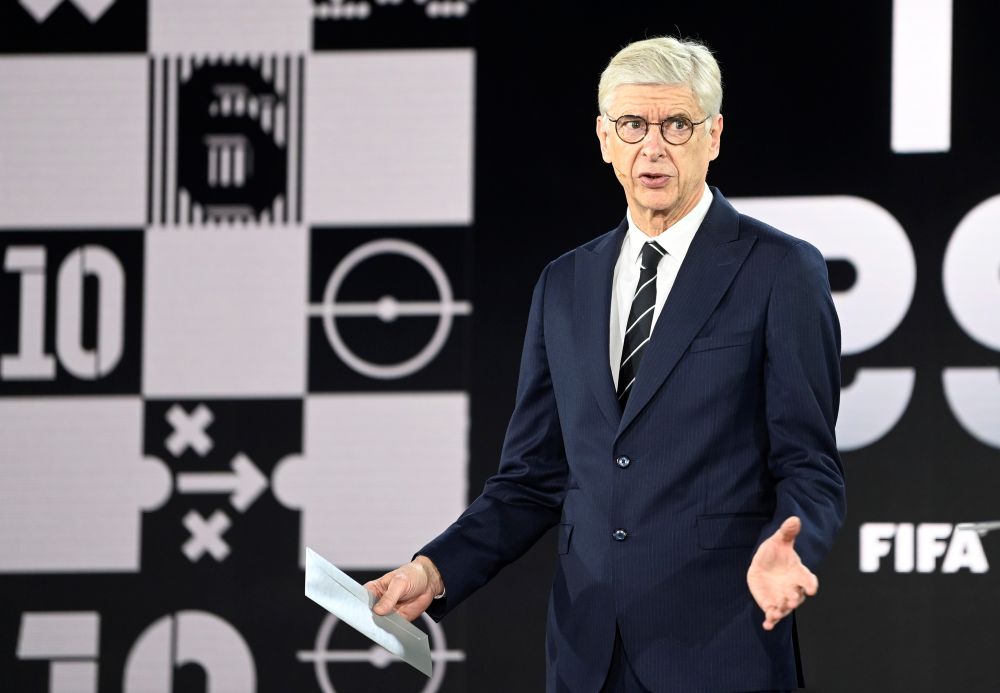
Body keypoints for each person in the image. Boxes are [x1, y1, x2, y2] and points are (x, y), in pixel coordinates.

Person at [365, 36, 846, 693]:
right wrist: (432, 568)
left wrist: (793, 546)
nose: (654, 145)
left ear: (714, 136)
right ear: (603, 138)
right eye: (633, 124)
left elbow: (810, 464)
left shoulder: (780, 271)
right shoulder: (563, 283)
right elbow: (530, 478)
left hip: (722, 646)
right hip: (585, 653)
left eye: (678, 124)